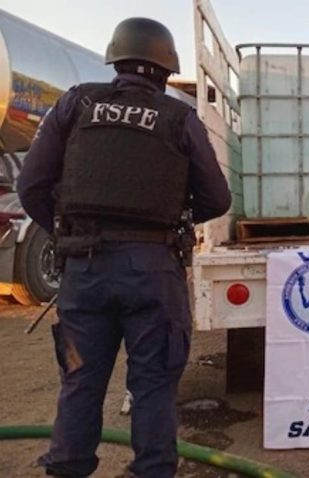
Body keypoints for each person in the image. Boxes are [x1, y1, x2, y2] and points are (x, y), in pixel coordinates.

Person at [17, 17, 231, 477]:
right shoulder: (178, 118)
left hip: (84, 273)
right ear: (166, 68)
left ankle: (68, 467)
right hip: (153, 272)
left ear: (116, 59)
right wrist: (173, 218)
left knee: (79, 379)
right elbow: (218, 199)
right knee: (153, 383)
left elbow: (30, 185)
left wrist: (66, 232)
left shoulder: (76, 103)